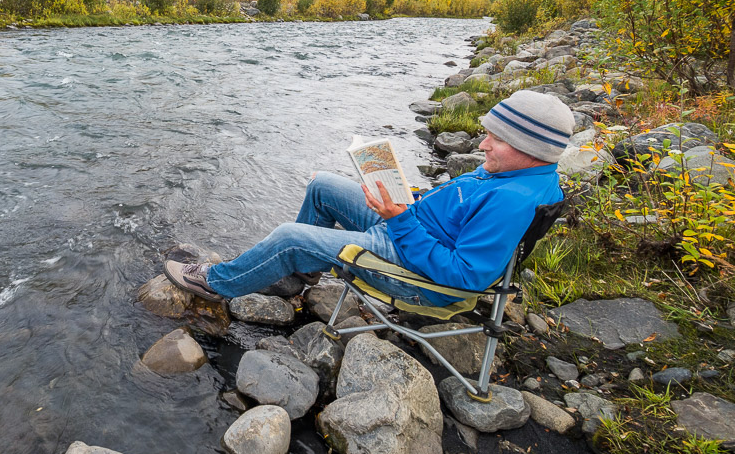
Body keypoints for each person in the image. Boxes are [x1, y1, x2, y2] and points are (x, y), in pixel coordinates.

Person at [165, 89, 572, 306]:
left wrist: (399, 218)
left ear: (529, 146)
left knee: (290, 236)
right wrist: (403, 196)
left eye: (496, 139)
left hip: (414, 270)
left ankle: (217, 284)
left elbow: (464, 276)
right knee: (323, 184)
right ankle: (301, 273)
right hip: (409, 229)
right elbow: (454, 209)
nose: (483, 145)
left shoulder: (513, 199)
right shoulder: (516, 172)